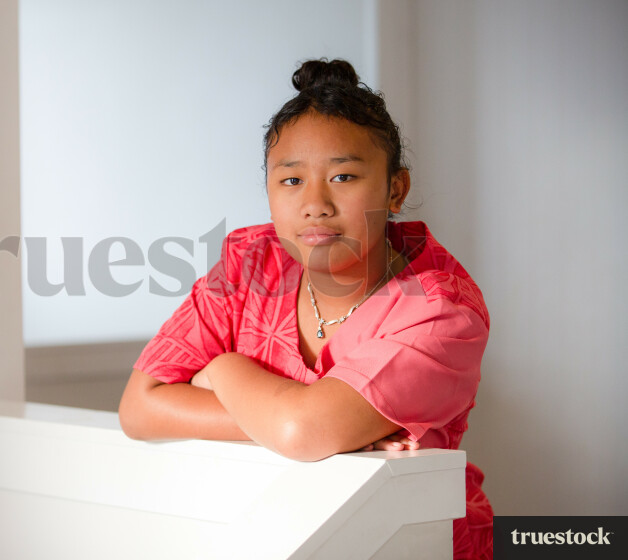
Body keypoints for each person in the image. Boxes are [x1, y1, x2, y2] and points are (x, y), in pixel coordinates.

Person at [118, 58, 493, 560]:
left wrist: (222, 370)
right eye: (291, 181)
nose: (315, 203)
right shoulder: (250, 264)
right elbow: (139, 408)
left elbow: (302, 430)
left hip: (416, 541)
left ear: (395, 189)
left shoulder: (440, 308)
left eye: (342, 176)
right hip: (281, 535)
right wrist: (326, 433)